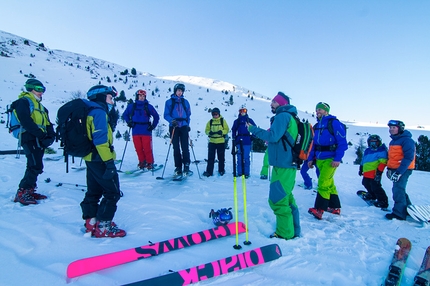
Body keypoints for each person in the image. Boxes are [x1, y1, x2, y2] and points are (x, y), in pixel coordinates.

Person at [248, 92, 300, 240]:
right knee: (287, 198)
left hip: (283, 164)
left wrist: (253, 129)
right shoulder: (291, 117)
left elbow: (273, 136)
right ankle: (294, 230)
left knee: (277, 200)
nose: (271, 104)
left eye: (274, 102)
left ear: (282, 104)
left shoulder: (282, 116)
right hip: (287, 164)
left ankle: (285, 233)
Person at [81, 84, 126, 238]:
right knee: (112, 192)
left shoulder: (90, 111)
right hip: (100, 158)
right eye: (110, 97)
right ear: (100, 97)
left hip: (90, 158)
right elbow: (100, 141)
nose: (112, 101)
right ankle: (104, 227)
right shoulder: (99, 113)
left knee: (93, 191)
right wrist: (109, 162)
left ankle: (91, 222)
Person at [13, 79, 56, 205]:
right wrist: (42, 135)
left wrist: (50, 136)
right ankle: (22, 192)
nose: (41, 92)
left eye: (42, 90)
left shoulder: (41, 107)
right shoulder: (23, 102)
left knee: (36, 165)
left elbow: (48, 123)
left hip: (38, 137)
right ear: (30, 88)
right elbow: (25, 120)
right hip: (28, 136)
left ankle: (28, 190)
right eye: (38, 89)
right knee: (34, 165)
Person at [307, 102, 348, 220]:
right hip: (320, 159)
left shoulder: (334, 123)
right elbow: (313, 145)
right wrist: (310, 159)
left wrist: (337, 158)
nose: (318, 112)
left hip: (331, 159)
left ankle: (319, 209)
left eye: (320, 109)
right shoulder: (317, 126)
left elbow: (342, 143)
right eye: (316, 110)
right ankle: (334, 207)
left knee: (323, 182)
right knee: (329, 183)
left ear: (326, 111)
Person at [385, 120, 415, 220]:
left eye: (394, 128)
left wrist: (399, 172)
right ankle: (408, 209)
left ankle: (399, 214)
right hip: (395, 169)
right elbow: (392, 157)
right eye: (390, 128)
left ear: (400, 128)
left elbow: (408, 157)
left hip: (404, 169)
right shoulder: (393, 141)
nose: (391, 130)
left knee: (397, 190)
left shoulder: (407, 140)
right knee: (400, 189)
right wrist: (389, 168)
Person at [122, 89, 160, 170]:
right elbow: (125, 115)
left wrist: (153, 126)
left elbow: (156, 117)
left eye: (143, 96)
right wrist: (129, 122)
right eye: (140, 96)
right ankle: (142, 161)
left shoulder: (148, 106)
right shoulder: (132, 106)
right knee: (138, 148)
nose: (142, 97)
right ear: (137, 96)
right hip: (135, 129)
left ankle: (150, 162)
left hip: (146, 129)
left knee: (147, 148)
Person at [163, 83, 192, 176]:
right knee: (176, 147)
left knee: (185, 146)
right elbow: (166, 115)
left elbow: (188, 115)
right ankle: (178, 167)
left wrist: (187, 124)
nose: (180, 92)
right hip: (174, 126)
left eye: (181, 91)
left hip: (183, 126)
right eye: (178, 90)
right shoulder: (169, 102)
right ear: (175, 91)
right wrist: (172, 121)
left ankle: (186, 165)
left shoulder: (185, 102)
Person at [358, 134, 389, 209]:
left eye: (375, 143)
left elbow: (383, 162)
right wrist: (361, 168)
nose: (373, 144)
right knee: (365, 183)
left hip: (375, 172)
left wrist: (379, 172)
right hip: (367, 172)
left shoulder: (382, 150)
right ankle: (372, 195)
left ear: (379, 142)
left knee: (376, 186)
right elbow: (363, 160)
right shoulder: (367, 150)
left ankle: (383, 201)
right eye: (371, 142)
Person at [203, 107, 229, 177]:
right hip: (212, 141)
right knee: (211, 157)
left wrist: (222, 132)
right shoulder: (210, 122)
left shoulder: (222, 121)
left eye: (216, 114)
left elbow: (227, 129)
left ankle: (221, 170)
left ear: (219, 114)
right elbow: (206, 130)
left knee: (221, 158)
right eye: (213, 114)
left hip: (220, 141)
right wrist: (209, 133)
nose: (215, 115)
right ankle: (209, 171)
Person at [231, 108, 256, 178]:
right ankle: (239, 172)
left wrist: (253, 137)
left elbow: (255, 128)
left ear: (246, 112)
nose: (242, 112)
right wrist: (234, 138)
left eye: (244, 111)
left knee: (246, 157)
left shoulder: (249, 120)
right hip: (239, 140)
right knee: (239, 157)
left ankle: (246, 173)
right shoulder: (237, 121)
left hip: (247, 141)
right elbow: (233, 130)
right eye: (241, 111)